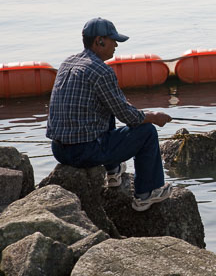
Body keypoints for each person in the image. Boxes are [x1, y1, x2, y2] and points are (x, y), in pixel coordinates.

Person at [46, 17, 172, 211]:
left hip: (59, 151)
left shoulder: (67, 63)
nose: (115, 45)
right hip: (84, 152)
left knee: (103, 110)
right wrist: (153, 116)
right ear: (99, 41)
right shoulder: (101, 71)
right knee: (147, 131)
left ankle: (113, 172)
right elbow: (128, 117)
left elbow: (115, 107)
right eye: (113, 40)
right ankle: (147, 193)